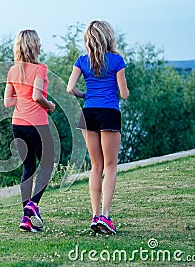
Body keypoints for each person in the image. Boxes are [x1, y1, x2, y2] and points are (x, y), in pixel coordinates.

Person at [66, 20, 129, 235]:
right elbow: (124, 93)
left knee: (96, 165)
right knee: (110, 165)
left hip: (88, 113)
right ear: (108, 37)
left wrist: (86, 95)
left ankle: (94, 216)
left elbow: (70, 88)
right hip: (109, 113)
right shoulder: (117, 60)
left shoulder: (82, 61)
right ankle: (105, 216)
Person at [4, 29, 56, 232]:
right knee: (47, 165)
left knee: (28, 168)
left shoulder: (12, 70)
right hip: (36, 124)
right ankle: (32, 205)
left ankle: (26, 219)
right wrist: (50, 105)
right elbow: (36, 96)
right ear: (34, 46)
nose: (41, 45)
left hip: (18, 124)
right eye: (39, 42)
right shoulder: (40, 68)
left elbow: (8, 101)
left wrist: (22, 99)